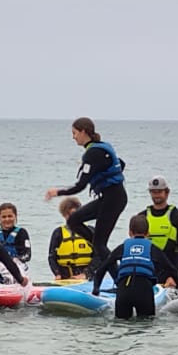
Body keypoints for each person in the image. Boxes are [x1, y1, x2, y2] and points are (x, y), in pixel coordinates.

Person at [44, 117, 127, 275]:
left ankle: (119, 280)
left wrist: (57, 192)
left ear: (83, 132)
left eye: (74, 133)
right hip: (110, 198)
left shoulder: (93, 153)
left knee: (99, 244)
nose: (73, 137)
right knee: (76, 222)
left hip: (113, 200)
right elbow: (120, 164)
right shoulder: (101, 147)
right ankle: (100, 246)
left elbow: (80, 186)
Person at [90, 215, 178, 320]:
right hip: (144, 290)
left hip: (124, 290)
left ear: (130, 232)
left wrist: (96, 290)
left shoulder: (123, 247)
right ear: (148, 233)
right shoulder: (152, 248)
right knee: (146, 323)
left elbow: (102, 269)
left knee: (121, 323)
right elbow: (173, 271)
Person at [134, 175, 178, 286]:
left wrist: (174, 277)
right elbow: (135, 248)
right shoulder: (142, 216)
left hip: (169, 276)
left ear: (167, 192)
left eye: (159, 192)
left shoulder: (177, 217)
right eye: (153, 192)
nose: (156, 195)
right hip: (146, 273)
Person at [47, 197, 94, 280]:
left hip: (87, 277)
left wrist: (86, 273)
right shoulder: (58, 233)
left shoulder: (90, 231)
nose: (72, 217)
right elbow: (52, 257)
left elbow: (99, 256)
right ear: (64, 215)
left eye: (74, 214)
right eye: (68, 214)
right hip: (64, 277)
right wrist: (57, 274)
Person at [0, 202, 32, 284]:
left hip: (18, 265)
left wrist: (16, 260)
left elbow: (28, 255)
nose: (7, 219)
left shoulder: (22, 232)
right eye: (4, 217)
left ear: (15, 216)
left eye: (10, 216)